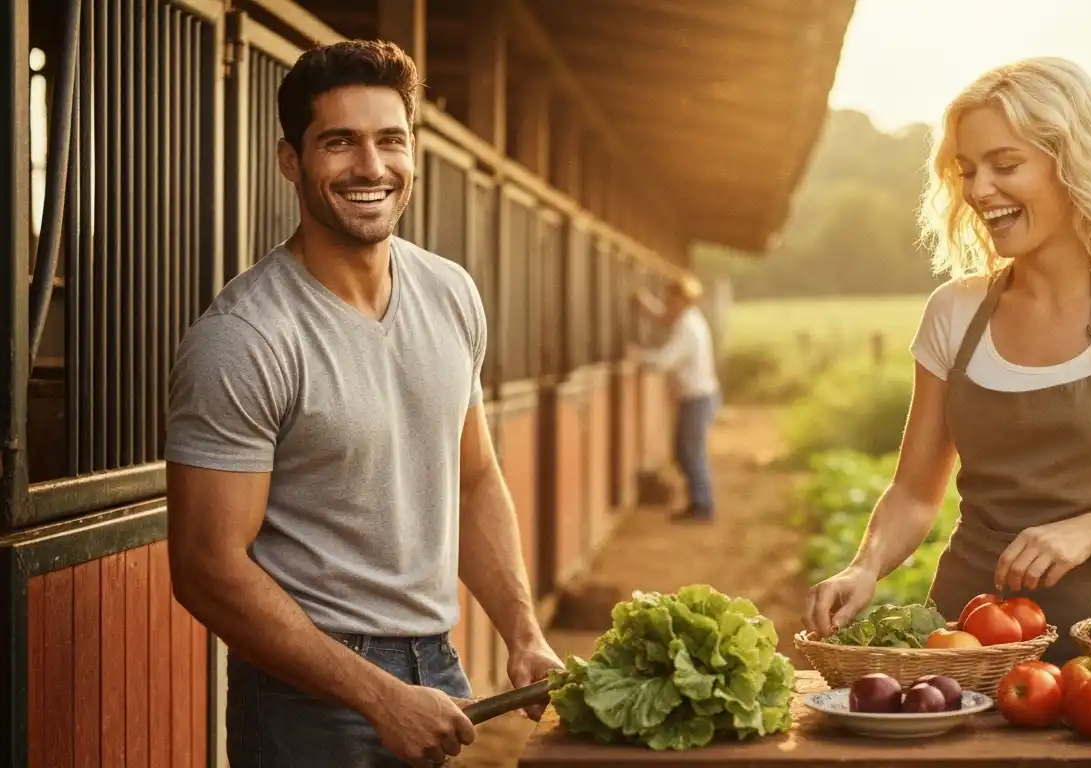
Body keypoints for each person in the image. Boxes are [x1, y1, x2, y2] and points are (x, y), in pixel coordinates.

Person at [164, 40, 562, 767]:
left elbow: (472, 475)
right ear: (291, 161)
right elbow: (205, 566)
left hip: (437, 672)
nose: (371, 167)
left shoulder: (451, 294)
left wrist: (522, 632)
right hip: (305, 703)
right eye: (339, 143)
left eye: (390, 141)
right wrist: (377, 695)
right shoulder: (245, 338)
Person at [802, 57, 1091, 664]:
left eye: (1005, 164)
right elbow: (913, 492)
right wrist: (865, 567)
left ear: (1073, 163)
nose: (979, 189)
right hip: (967, 646)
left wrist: (1089, 530)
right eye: (967, 170)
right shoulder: (953, 313)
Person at [635, 277, 721, 522]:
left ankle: (702, 505)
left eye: (670, 298)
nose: (666, 303)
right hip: (695, 397)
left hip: (696, 398)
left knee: (689, 452)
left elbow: (664, 360)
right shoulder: (689, 320)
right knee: (686, 451)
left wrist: (638, 357)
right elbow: (665, 317)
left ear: (681, 300)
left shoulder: (688, 328)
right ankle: (698, 502)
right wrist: (646, 305)